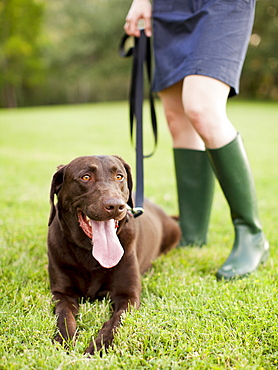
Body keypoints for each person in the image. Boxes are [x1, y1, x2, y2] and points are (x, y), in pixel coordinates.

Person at [124, 0, 269, 280]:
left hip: (221, 5)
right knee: (176, 117)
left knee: (201, 106)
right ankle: (191, 232)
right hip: (170, 7)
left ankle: (251, 234)